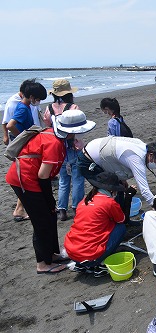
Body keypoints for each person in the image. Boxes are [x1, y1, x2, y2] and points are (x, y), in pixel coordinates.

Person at [5, 109, 96, 274]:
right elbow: (43, 176)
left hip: (32, 179)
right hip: (24, 180)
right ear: (70, 132)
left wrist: (50, 205)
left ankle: (52, 254)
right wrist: (50, 201)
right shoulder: (54, 143)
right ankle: (42, 263)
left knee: (50, 216)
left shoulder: (54, 135)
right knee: (42, 222)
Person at [64, 172, 131, 277]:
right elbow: (122, 219)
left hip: (72, 251)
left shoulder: (84, 201)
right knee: (120, 228)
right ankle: (100, 263)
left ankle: (81, 264)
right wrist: (129, 196)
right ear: (112, 190)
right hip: (90, 255)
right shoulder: (108, 202)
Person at [76, 136, 156, 206]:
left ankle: (123, 218)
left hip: (98, 153)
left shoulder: (140, 145)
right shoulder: (136, 158)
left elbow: (117, 160)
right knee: (107, 192)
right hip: (87, 161)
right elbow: (145, 191)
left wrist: (122, 179)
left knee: (120, 187)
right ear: (151, 154)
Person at [2, 80, 44, 222]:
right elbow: (10, 125)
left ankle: (19, 209)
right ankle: (19, 210)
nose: (38, 102)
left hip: (26, 147)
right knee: (27, 178)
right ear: (31, 97)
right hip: (25, 149)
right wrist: (23, 136)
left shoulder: (24, 106)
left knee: (27, 177)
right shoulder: (23, 108)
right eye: (38, 99)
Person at [42, 79, 82, 221]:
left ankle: (62, 210)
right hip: (73, 146)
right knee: (77, 178)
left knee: (64, 180)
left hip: (58, 148)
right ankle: (77, 207)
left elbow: (47, 124)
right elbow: (79, 126)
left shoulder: (49, 108)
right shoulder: (73, 107)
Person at [2, 79, 41, 145]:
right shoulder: (14, 103)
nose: (38, 101)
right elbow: (7, 123)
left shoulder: (29, 102)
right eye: (38, 99)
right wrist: (20, 137)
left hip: (31, 132)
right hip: (22, 136)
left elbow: (38, 113)